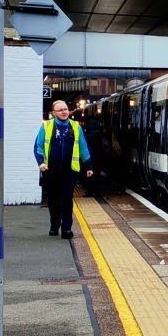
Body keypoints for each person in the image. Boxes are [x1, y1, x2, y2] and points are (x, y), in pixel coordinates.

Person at [35, 100, 93, 239]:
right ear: (54, 113)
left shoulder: (76, 127)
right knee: (53, 200)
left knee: (67, 199)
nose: (64, 112)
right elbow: (38, 146)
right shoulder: (46, 126)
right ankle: (54, 225)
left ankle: (66, 229)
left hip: (69, 171)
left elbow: (83, 147)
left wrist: (88, 166)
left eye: (65, 109)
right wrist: (41, 162)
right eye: (60, 110)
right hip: (50, 170)